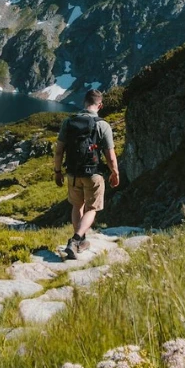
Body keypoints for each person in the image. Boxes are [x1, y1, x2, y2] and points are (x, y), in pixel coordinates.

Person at [54, 89, 120, 258]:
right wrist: (115, 173)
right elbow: (110, 156)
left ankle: (80, 241)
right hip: (94, 174)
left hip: (73, 173)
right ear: (100, 105)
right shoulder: (102, 125)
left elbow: (59, 151)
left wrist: (57, 171)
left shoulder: (68, 122)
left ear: (84, 102)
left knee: (77, 206)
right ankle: (76, 240)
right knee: (92, 208)